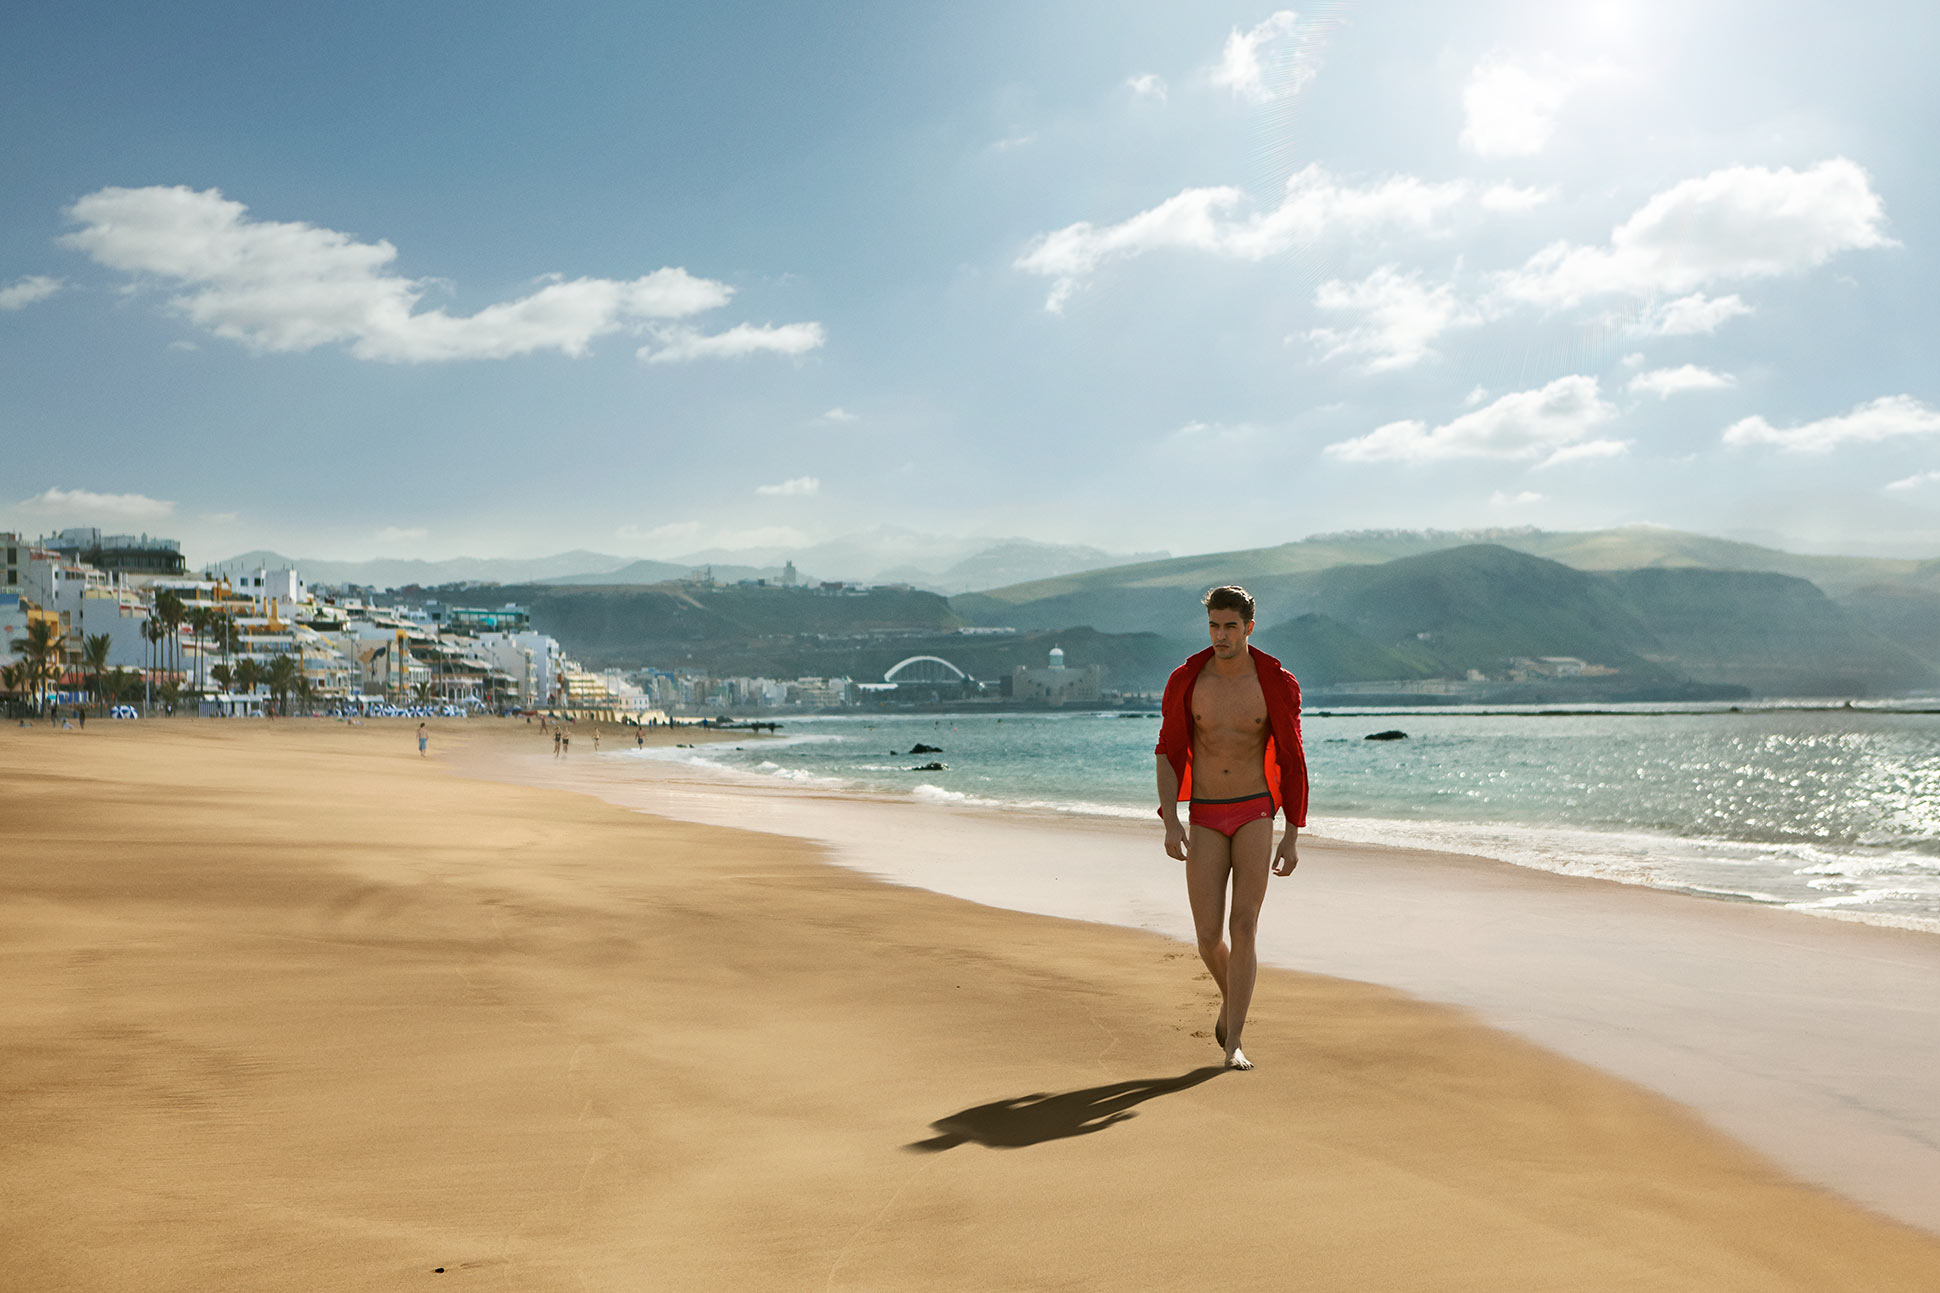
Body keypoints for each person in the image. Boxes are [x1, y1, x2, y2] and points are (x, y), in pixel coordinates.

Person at [1155, 585, 1309, 1071]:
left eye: (1230, 627)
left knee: (1243, 926)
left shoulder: (1274, 681)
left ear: (1248, 627)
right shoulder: (1187, 678)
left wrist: (1292, 832)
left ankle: (1234, 1041)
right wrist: (1170, 819)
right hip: (1203, 813)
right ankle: (1233, 997)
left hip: (1255, 812)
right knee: (1206, 936)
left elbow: (1293, 757)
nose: (1220, 635)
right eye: (1214, 626)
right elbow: (1168, 750)